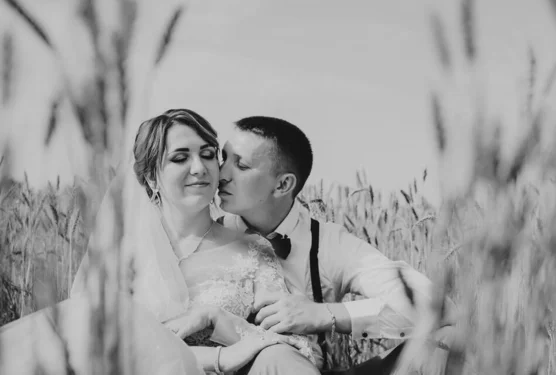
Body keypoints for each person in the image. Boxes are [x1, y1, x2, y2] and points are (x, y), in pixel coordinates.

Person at [0, 109, 314, 375]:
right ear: (152, 178)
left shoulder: (251, 252)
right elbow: (93, 346)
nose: (199, 168)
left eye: (208, 155)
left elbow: (298, 349)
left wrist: (217, 319)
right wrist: (218, 357)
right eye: (180, 158)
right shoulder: (120, 256)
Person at [217, 116, 457, 374]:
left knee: (449, 343)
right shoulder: (205, 233)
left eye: (240, 166)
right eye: (223, 158)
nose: (221, 174)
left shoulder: (327, 242)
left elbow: (437, 308)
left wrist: (325, 314)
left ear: (283, 184)